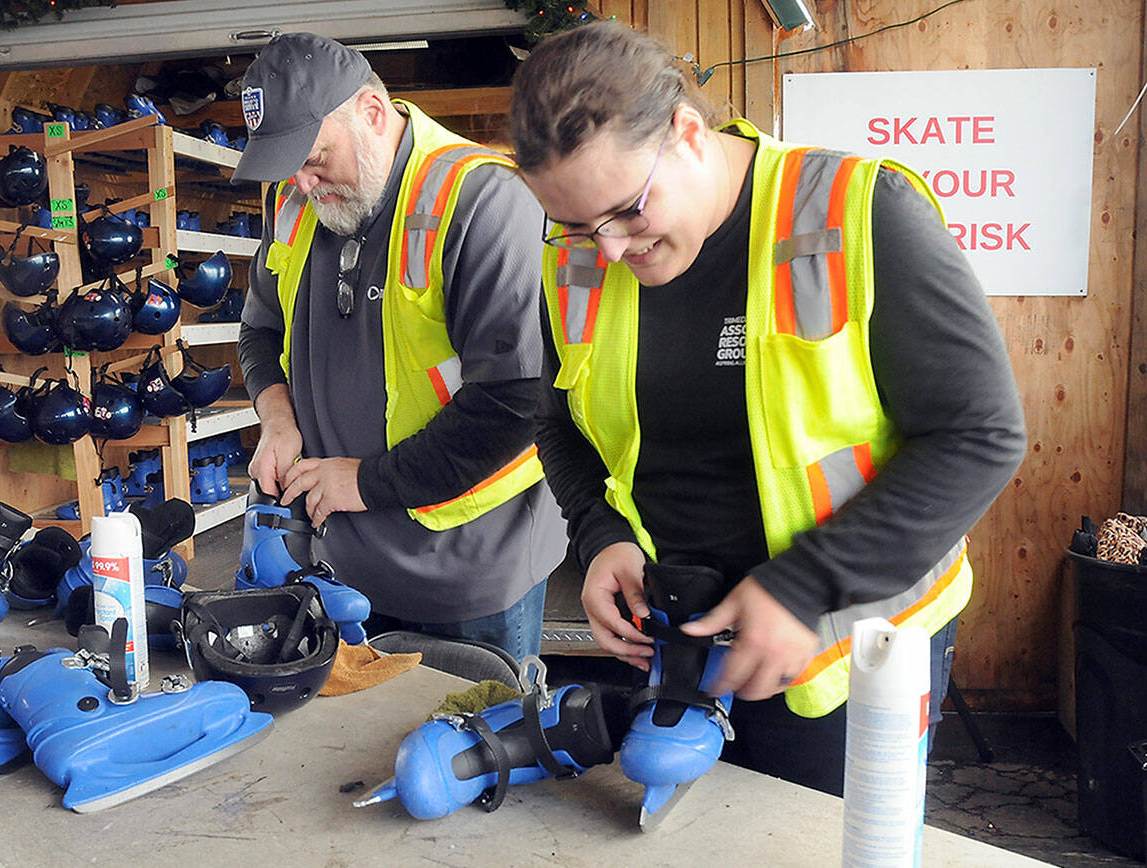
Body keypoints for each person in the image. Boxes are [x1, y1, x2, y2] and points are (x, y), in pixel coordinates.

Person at [510, 21, 1026, 795]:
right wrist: (600, 534)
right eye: (579, 225)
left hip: (855, 646)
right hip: (679, 641)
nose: (608, 250)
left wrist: (804, 586)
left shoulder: (860, 213)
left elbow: (981, 436)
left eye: (626, 212)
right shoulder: (578, 260)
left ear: (687, 132)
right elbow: (557, 421)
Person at [230, 33, 566, 660]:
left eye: (316, 155)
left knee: (473, 744)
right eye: (289, 165)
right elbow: (259, 330)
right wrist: (277, 419)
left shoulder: (483, 202)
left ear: (373, 113)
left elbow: (518, 402)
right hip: (342, 569)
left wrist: (369, 482)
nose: (304, 182)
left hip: (466, 573)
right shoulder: (295, 199)